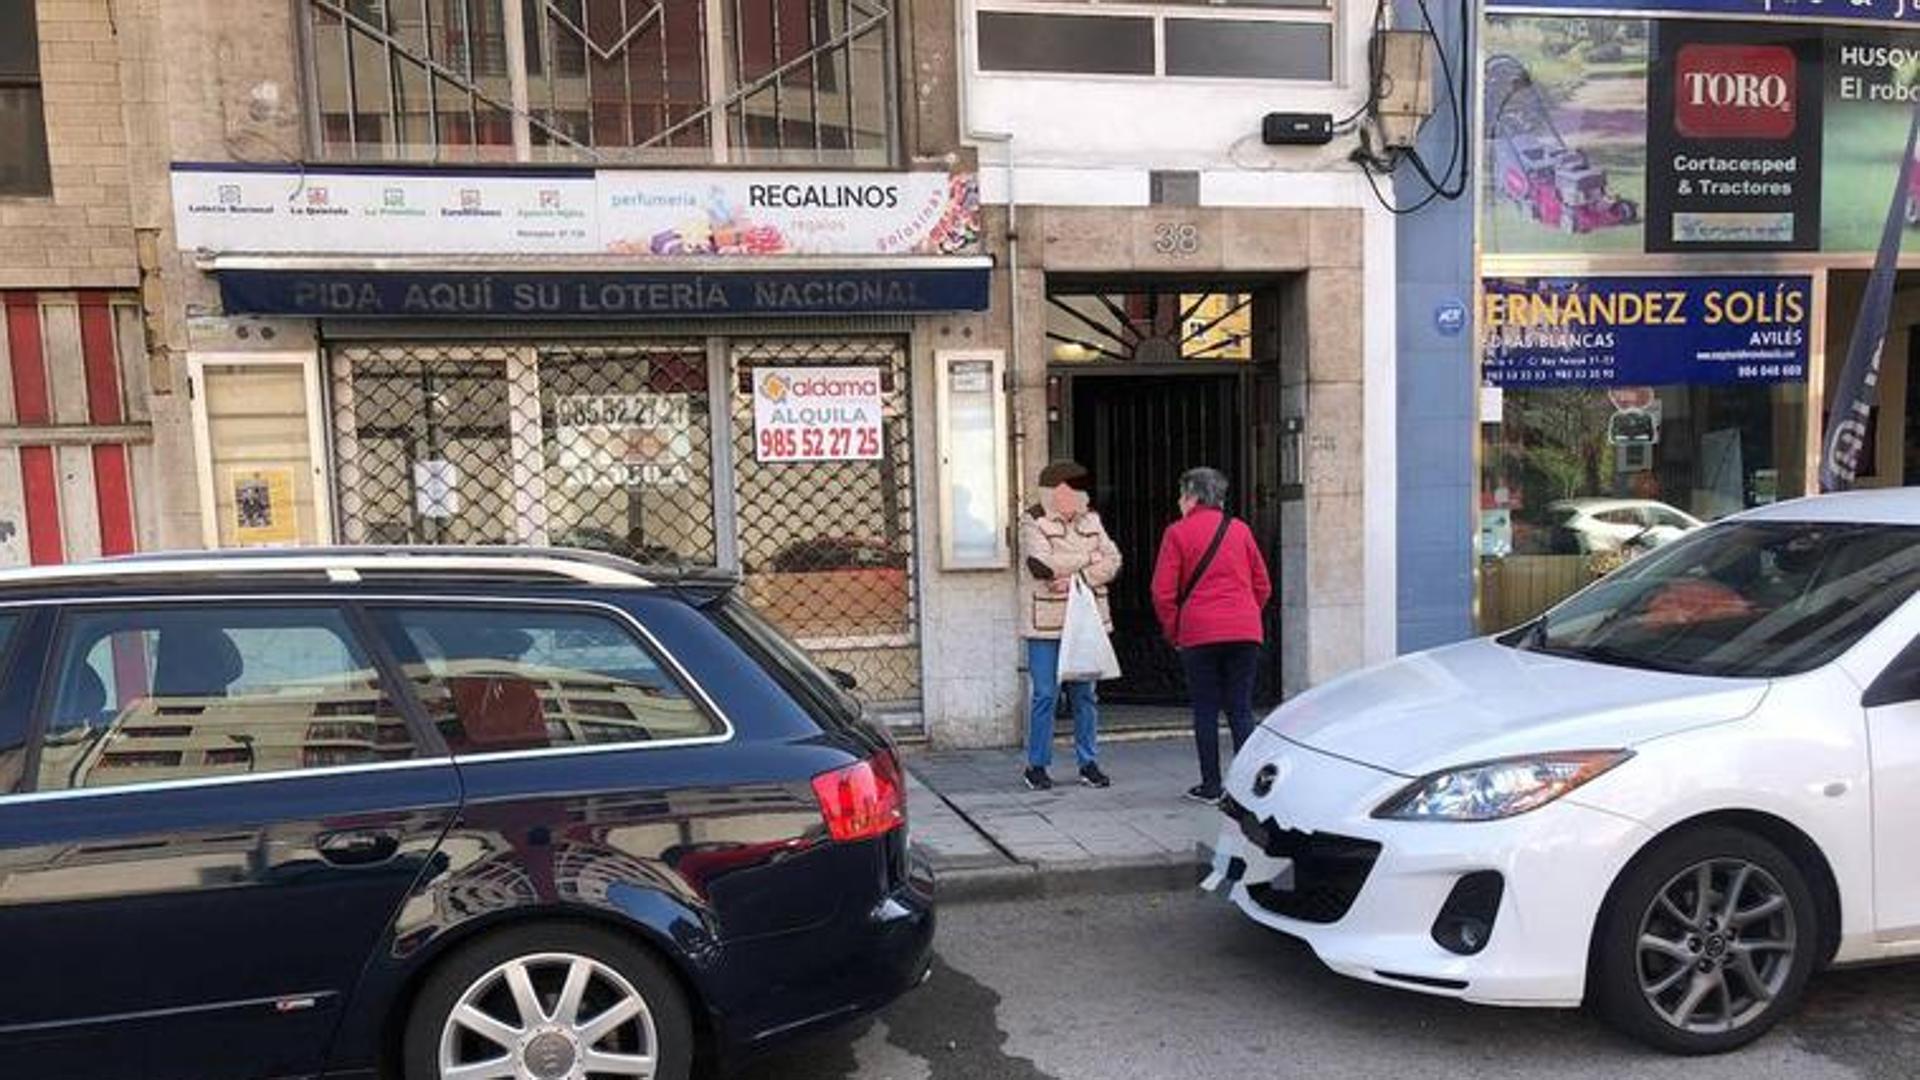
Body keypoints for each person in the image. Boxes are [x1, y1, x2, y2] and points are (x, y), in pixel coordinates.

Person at [1150, 467, 1273, 803]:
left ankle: (1211, 785)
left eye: (1181, 494)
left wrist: (1175, 630)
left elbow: (1162, 592)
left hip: (1199, 633)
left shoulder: (1177, 533)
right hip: (1245, 631)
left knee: (1205, 708)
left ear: (1192, 497)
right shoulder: (1240, 530)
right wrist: (1246, 614)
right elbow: (1263, 584)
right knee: (1240, 708)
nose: (1179, 501)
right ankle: (1247, 788)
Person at [1018, 461, 1121, 790]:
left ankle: (1088, 762)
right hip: (1045, 622)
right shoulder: (1033, 519)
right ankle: (1036, 765)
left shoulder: (1092, 519)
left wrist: (1079, 576)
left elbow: (1113, 559)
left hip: (1087, 620)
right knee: (1045, 695)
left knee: (1085, 696)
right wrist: (1088, 558)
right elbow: (1041, 564)